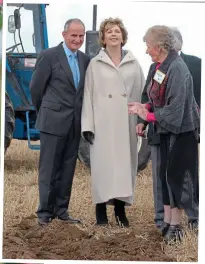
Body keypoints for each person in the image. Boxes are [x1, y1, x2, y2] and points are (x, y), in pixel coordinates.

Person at [128, 25, 200, 242]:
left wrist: (148, 116)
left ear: (158, 47)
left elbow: (176, 109)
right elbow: (155, 98)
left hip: (181, 132)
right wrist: (146, 107)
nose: (146, 50)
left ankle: (176, 226)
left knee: (176, 178)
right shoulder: (159, 67)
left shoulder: (178, 68)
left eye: (148, 46)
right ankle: (168, 221)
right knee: (164, 177)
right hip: (165, 131)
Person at [81, 18, 145, 227]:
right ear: (103, 37)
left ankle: (120, 211)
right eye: (109, 32)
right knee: (103, 168)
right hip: (103, 124)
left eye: (117, 31)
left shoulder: (134, 64)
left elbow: (141, 94)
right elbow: (88, 95)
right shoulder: (95, 63)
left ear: (123, 36)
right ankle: (100, 212)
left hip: (126, 123)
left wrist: (142, 122)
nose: (113, 34)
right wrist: (88, 126)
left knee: (123, 168)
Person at [30, 18, 90, 226]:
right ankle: (44, 213)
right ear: (64, 35)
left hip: (74, 123)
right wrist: (46, 113)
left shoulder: (85, 60)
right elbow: (36, 89)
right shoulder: (48, 56)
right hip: (52, 122)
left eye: (81, 35)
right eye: (73, 35)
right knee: (49, 169)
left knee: (67, 168)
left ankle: (62, 211)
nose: (77, 39)